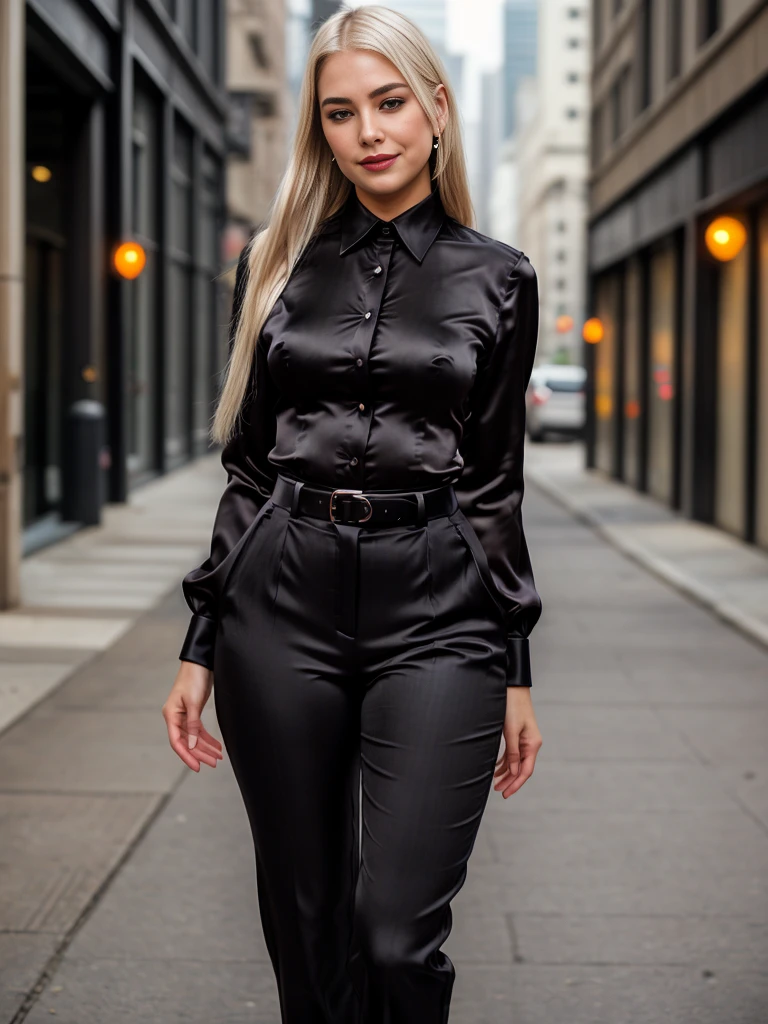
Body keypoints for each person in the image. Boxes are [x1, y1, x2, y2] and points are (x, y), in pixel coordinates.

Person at [162, 5, 543, 1021]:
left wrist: (515, 665)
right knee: (306, 921)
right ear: (319, 129)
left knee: (393, 931)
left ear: (436, 109)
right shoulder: (275, 265)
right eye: (341, 112)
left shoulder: (500, 278)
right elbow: (246, 466)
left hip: (442, 612)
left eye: (388, 102)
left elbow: (495, 480)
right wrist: (201, 641)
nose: (368, 130)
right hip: (278, 605)